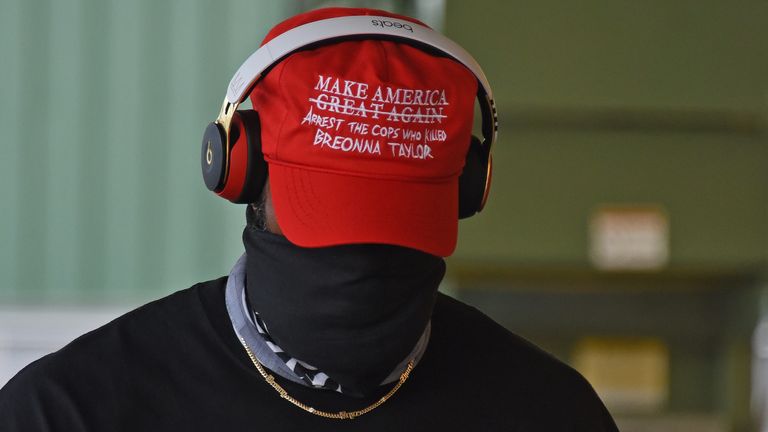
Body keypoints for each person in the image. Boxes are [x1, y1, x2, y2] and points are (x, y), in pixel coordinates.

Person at [0, 7, 618, 431]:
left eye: (395, 227)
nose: (362, 260)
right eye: (331, 219)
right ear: (241, 171)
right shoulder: (70, 413)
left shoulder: (552, 416)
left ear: (467, 189)